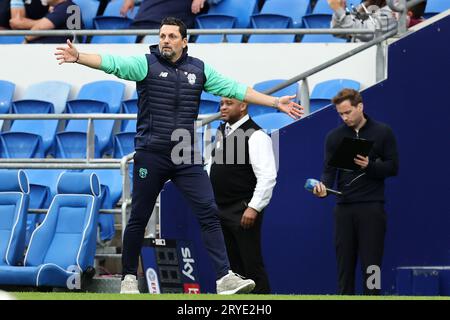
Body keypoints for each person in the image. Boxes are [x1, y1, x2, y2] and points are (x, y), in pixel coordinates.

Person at [54, 17, 303, 294]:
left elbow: (235, 89)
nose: (165, 41)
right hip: (151, 152)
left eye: (172, 36)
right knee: (139, 215)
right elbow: (114, 63)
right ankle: (127, 277)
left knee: (209, 211)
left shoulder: (199, 69)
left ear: (184, 42)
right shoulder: (145, 64)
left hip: (184, 152)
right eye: (162, 36)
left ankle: (224, 278)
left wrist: (274, 102)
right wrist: (78, 57)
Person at [312, 88, 398, 295]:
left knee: (372, 264)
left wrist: (369, 166)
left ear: (360, 107)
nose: (344, 118)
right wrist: (323, 187)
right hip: (344, 208)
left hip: (372, 207)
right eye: (340, 114)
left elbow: (393, 167)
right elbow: (328, 171)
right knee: (344, 263)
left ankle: (373, 297)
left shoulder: (383, 132)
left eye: (348, 112)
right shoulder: (334, 137)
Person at [209, 97, 277, 294]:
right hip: (220, 209)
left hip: (243, 209)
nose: (223, 107)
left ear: (243, 105)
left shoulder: (256, 135)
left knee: (251, 266)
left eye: (228, 103)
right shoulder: (222, 131)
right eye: (221, 104)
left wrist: (253, 207)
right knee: (232, 273)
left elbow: (267, 176)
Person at [9, 0, 83, 44]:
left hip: (58, 52)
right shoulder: (69, 6)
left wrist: (26, 40)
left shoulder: (66, 6)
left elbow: (40, 28)